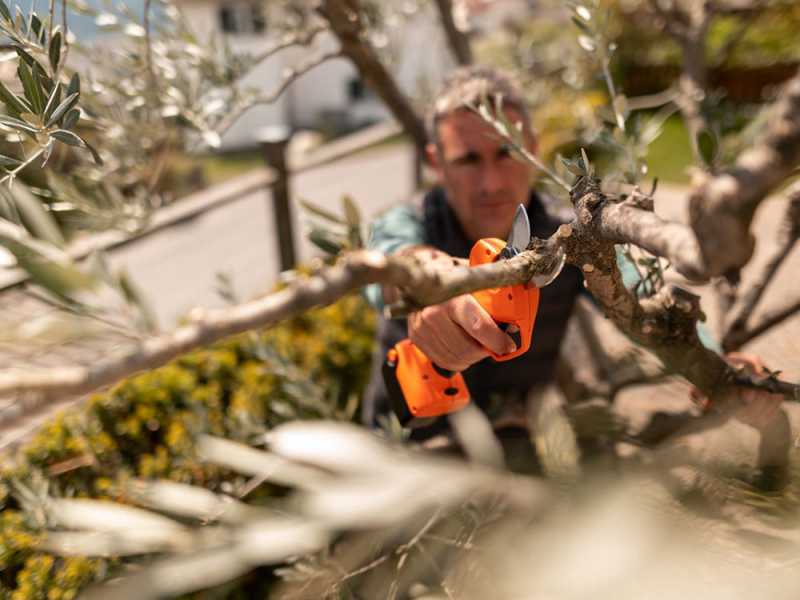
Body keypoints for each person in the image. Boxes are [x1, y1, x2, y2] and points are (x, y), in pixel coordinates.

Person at [361, 66, 585, 444]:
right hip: (405, 451)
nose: (492, 183)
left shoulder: (572, 234)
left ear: (531, 146)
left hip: (521, 449)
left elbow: (642, 286)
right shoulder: (404, 223)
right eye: (468, 160)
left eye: (507, 153)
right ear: (436, 163)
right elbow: (390, 264)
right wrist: (427, 283)